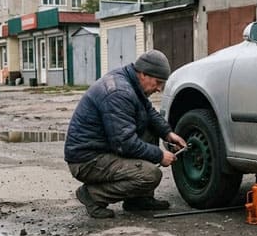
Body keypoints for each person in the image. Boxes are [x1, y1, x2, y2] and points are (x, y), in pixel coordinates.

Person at [65, 50, 187, 218]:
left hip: (103, 147)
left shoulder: (132, 82)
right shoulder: (119, 93)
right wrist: (159, 155)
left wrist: (168, 134)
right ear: (143, 74)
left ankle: (138, 200)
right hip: (87, 160)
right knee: (150, 175)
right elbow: (125, 143)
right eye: (158, 82)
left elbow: (148, 111)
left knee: (151, 128)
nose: (159, 88)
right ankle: (93, 196)